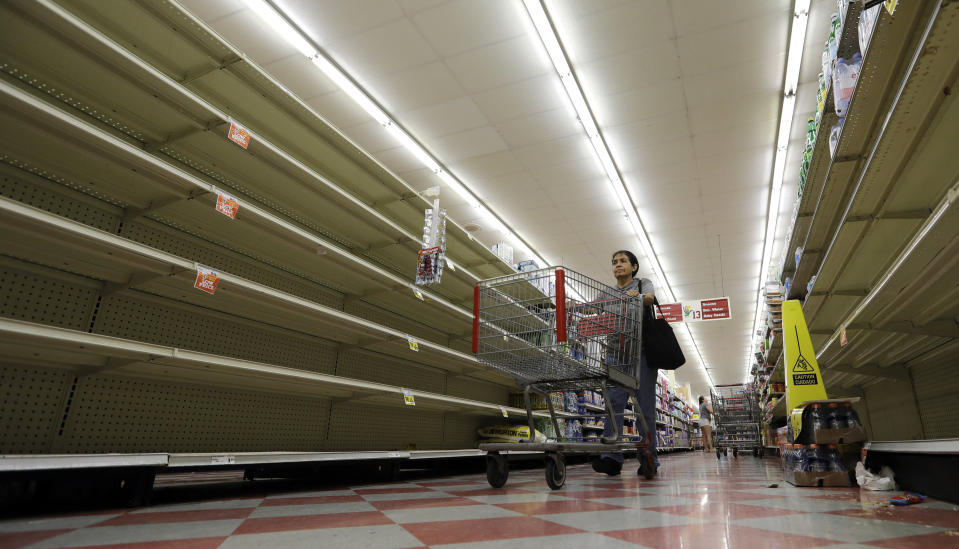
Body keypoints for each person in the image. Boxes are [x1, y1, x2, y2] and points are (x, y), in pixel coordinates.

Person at [592, 250, 658, 477]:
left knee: (645, 408)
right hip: (615, 355)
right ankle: (611, 457)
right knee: (613, 404)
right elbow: (592, 308)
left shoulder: (642, 284)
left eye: (622, 261)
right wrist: (573, 307)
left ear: (634, 267)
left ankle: (648, 458)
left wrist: (637, 297)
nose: (617, 265)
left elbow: (650, 298)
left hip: (642, 355)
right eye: (614, 262)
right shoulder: (606, 292)